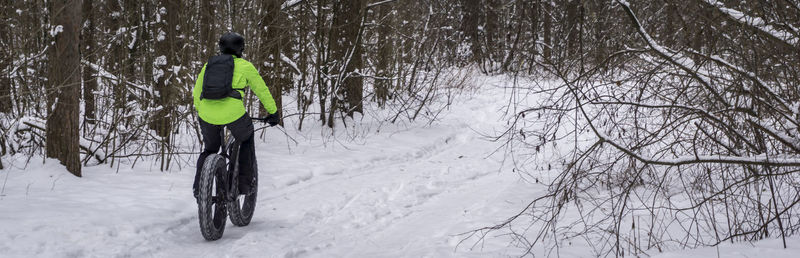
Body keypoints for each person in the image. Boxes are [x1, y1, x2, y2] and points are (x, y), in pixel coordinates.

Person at [192, 32, 279, 197]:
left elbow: (197, 92)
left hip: (207, 114)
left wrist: (201, 111)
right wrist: (273, 112)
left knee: (210, 149)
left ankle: (199, 188)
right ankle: (243, 185)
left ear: (221, 48)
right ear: (241, 49)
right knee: (245, 138)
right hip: (233, 114)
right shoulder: (245, 66)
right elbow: (262, 91)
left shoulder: (208, 65)